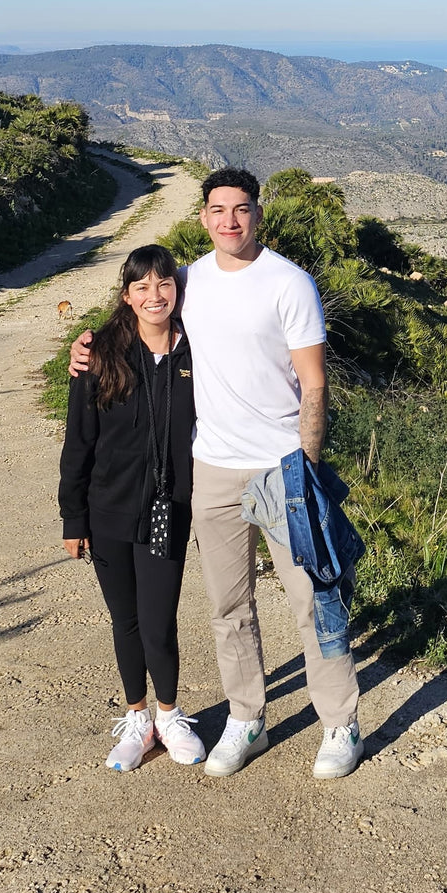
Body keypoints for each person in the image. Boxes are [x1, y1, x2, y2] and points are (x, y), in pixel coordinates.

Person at [72, 169, 362, 780]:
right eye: (218, 210)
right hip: (212, 468)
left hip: (282, 466)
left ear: (260, 214)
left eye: (242, 209)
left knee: (313, 599)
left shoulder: (291, 284)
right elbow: (140, 309)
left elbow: (314, 384)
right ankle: (246, 718)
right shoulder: (190, 281)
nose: (230, 221)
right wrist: (87, 346)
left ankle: (339, 722)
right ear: (203, 217)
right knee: (230, 607)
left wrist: (305, 468)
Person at [58, 244, 204, 772]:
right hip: (108, 511)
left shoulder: (199, 351)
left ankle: (169, 714)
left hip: (170, 510)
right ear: (127, 295)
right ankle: (138, 719)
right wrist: (73, 517)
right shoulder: (100, 356)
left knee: (159, 620)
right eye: (141, 286)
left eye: (164, 284)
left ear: (177, 290)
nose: (154, 295)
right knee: (127, 621)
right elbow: (78, 442)